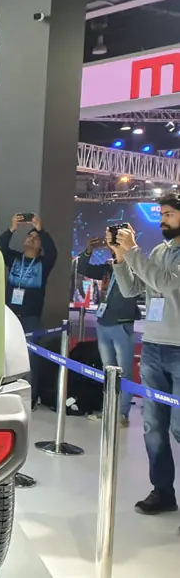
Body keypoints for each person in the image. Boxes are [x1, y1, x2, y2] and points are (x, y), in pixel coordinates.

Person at [110, 192, 180, 518]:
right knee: (153, 426)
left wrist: (134, 252)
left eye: (168, 214)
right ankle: (162, 492)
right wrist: (121, 259)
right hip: (152, 347)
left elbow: (166, 283)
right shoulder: (157, 251)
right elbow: (133, 290)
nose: (163, 219)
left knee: (179, 428)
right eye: (162, 214)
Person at [77, 237, 142, 427]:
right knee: (108, 371)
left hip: (122, 323)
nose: (112, 248)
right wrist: (88, 250)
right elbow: (84, 269)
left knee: (124, 372)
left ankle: (122, 414)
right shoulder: (107, 268)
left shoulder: (134, 268)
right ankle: (109, 410)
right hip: (103, 322)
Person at [0, 213, 58, 407]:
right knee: (5, 355)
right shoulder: (15, 259)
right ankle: (5, 392)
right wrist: (12, 228)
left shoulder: (43, 264)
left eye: (36, 238)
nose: (32, 239)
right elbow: (1, 247)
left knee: (30, 358)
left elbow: (53, 252)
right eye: (29, 236)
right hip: (10, 314)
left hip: (30, 317)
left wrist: (41, 230)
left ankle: (29, 398)